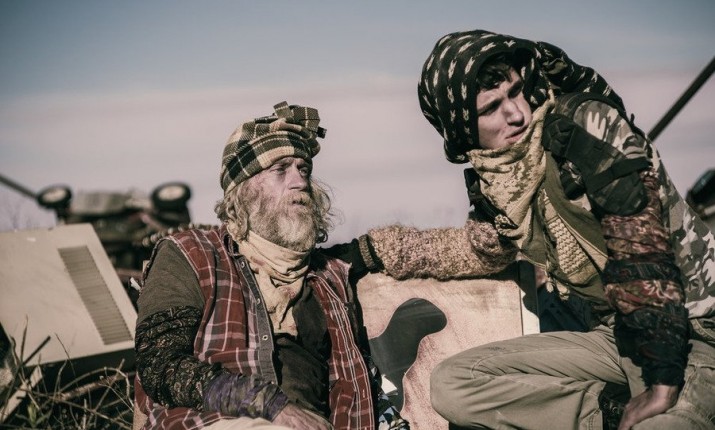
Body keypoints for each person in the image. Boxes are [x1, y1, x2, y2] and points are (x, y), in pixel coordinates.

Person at [328, 30, 715, 429]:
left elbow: (640, 246)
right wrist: (371, 251)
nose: (516, 113)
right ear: (463, 130)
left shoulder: (584, 125)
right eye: (492, 108)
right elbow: (478, 249)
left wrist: (663, 380)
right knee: (453, 383)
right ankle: (608, 415)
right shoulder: (504, 183)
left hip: (692, 332)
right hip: (618, 337)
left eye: (515, 92)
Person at [133, 101, 408, 430]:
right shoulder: (189, 255)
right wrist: (268, 404)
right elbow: (159, 366)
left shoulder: (329, 272)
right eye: (281, 170)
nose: (300, 181)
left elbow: (397, 247)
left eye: (303, 169)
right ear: (244, 189)